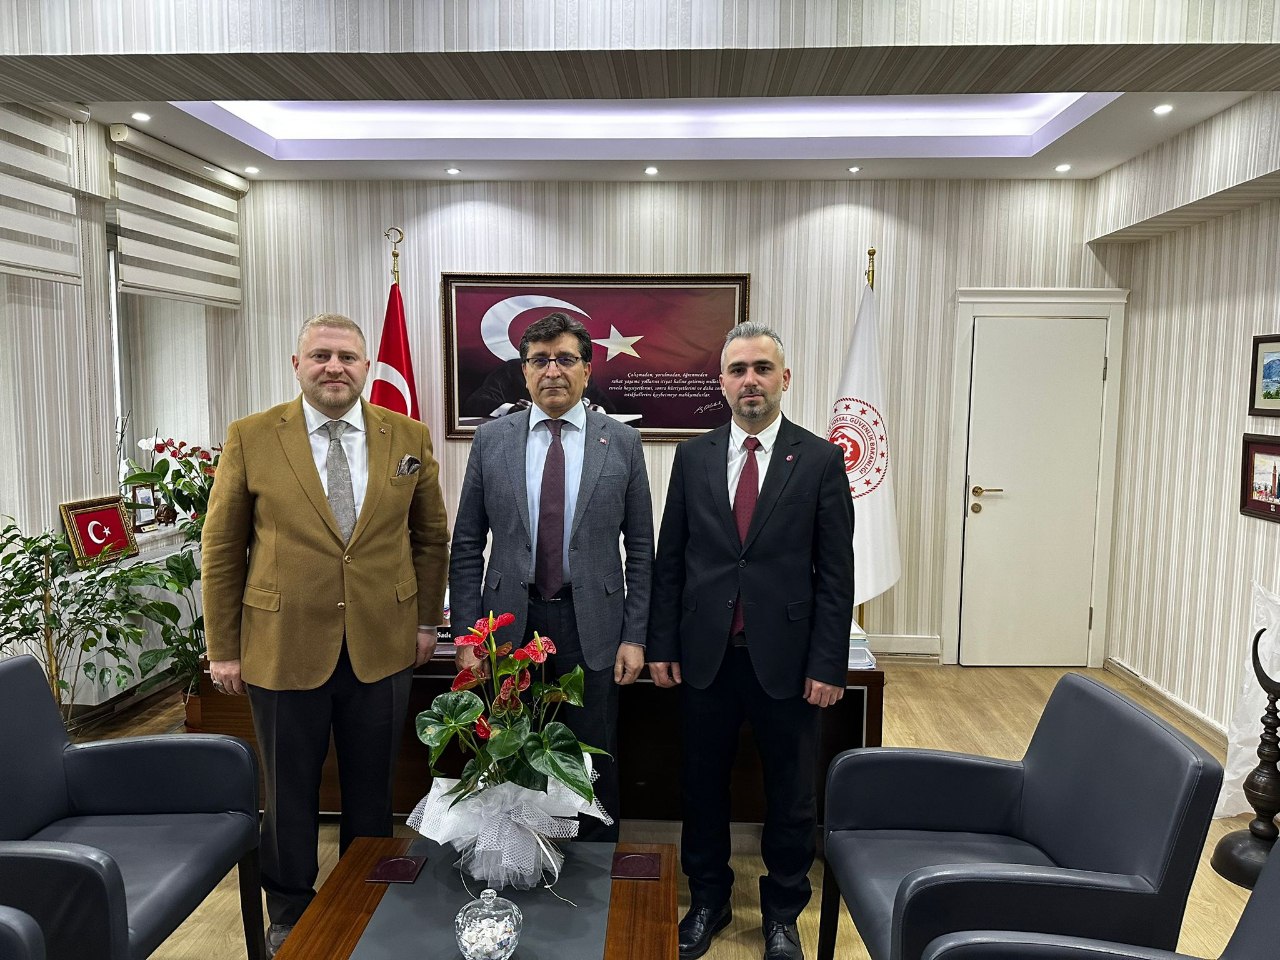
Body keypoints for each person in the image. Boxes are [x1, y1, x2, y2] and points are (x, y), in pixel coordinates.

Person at [202, 313, 449, 957]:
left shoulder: (407, 435)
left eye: (347, 357)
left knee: (373, 789)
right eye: (320, 356)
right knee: (288, 791)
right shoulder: (252, 436)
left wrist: (426, 621)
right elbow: (222, 547)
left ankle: (366, 899)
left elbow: (430, 538)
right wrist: (222, 648)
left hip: (383, 642)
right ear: (297, 365)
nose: (334, 367)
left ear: (367, 366)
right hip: (281, 644)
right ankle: (289, 910)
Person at [647, 321, 855, 960]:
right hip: (705, 658)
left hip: (788, 662)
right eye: (738, 370)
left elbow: (835, 573)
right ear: (721, 382)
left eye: (762, 369)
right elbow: (671, 559)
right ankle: (707, 900)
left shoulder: (819, 460)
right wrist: (662, 645)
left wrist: (828, 662)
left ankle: (783, 913)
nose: (750, 381)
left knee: (791, 794)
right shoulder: (693, 457)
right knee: (702, 787)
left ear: (784, 378)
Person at [450, 311, 653, 842]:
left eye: (565, 359)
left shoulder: (622, 442)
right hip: (509, 626)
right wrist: (468, 636)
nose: (552, 371)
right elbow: (467, 543)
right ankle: (519, 863)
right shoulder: (491, 440)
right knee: (513, 752)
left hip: (594, 627)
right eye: (539, 360)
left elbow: (641, 549)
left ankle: (593, 865)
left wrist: (635, 635)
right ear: (523, 371)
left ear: (587, 369)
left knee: (591, 757)